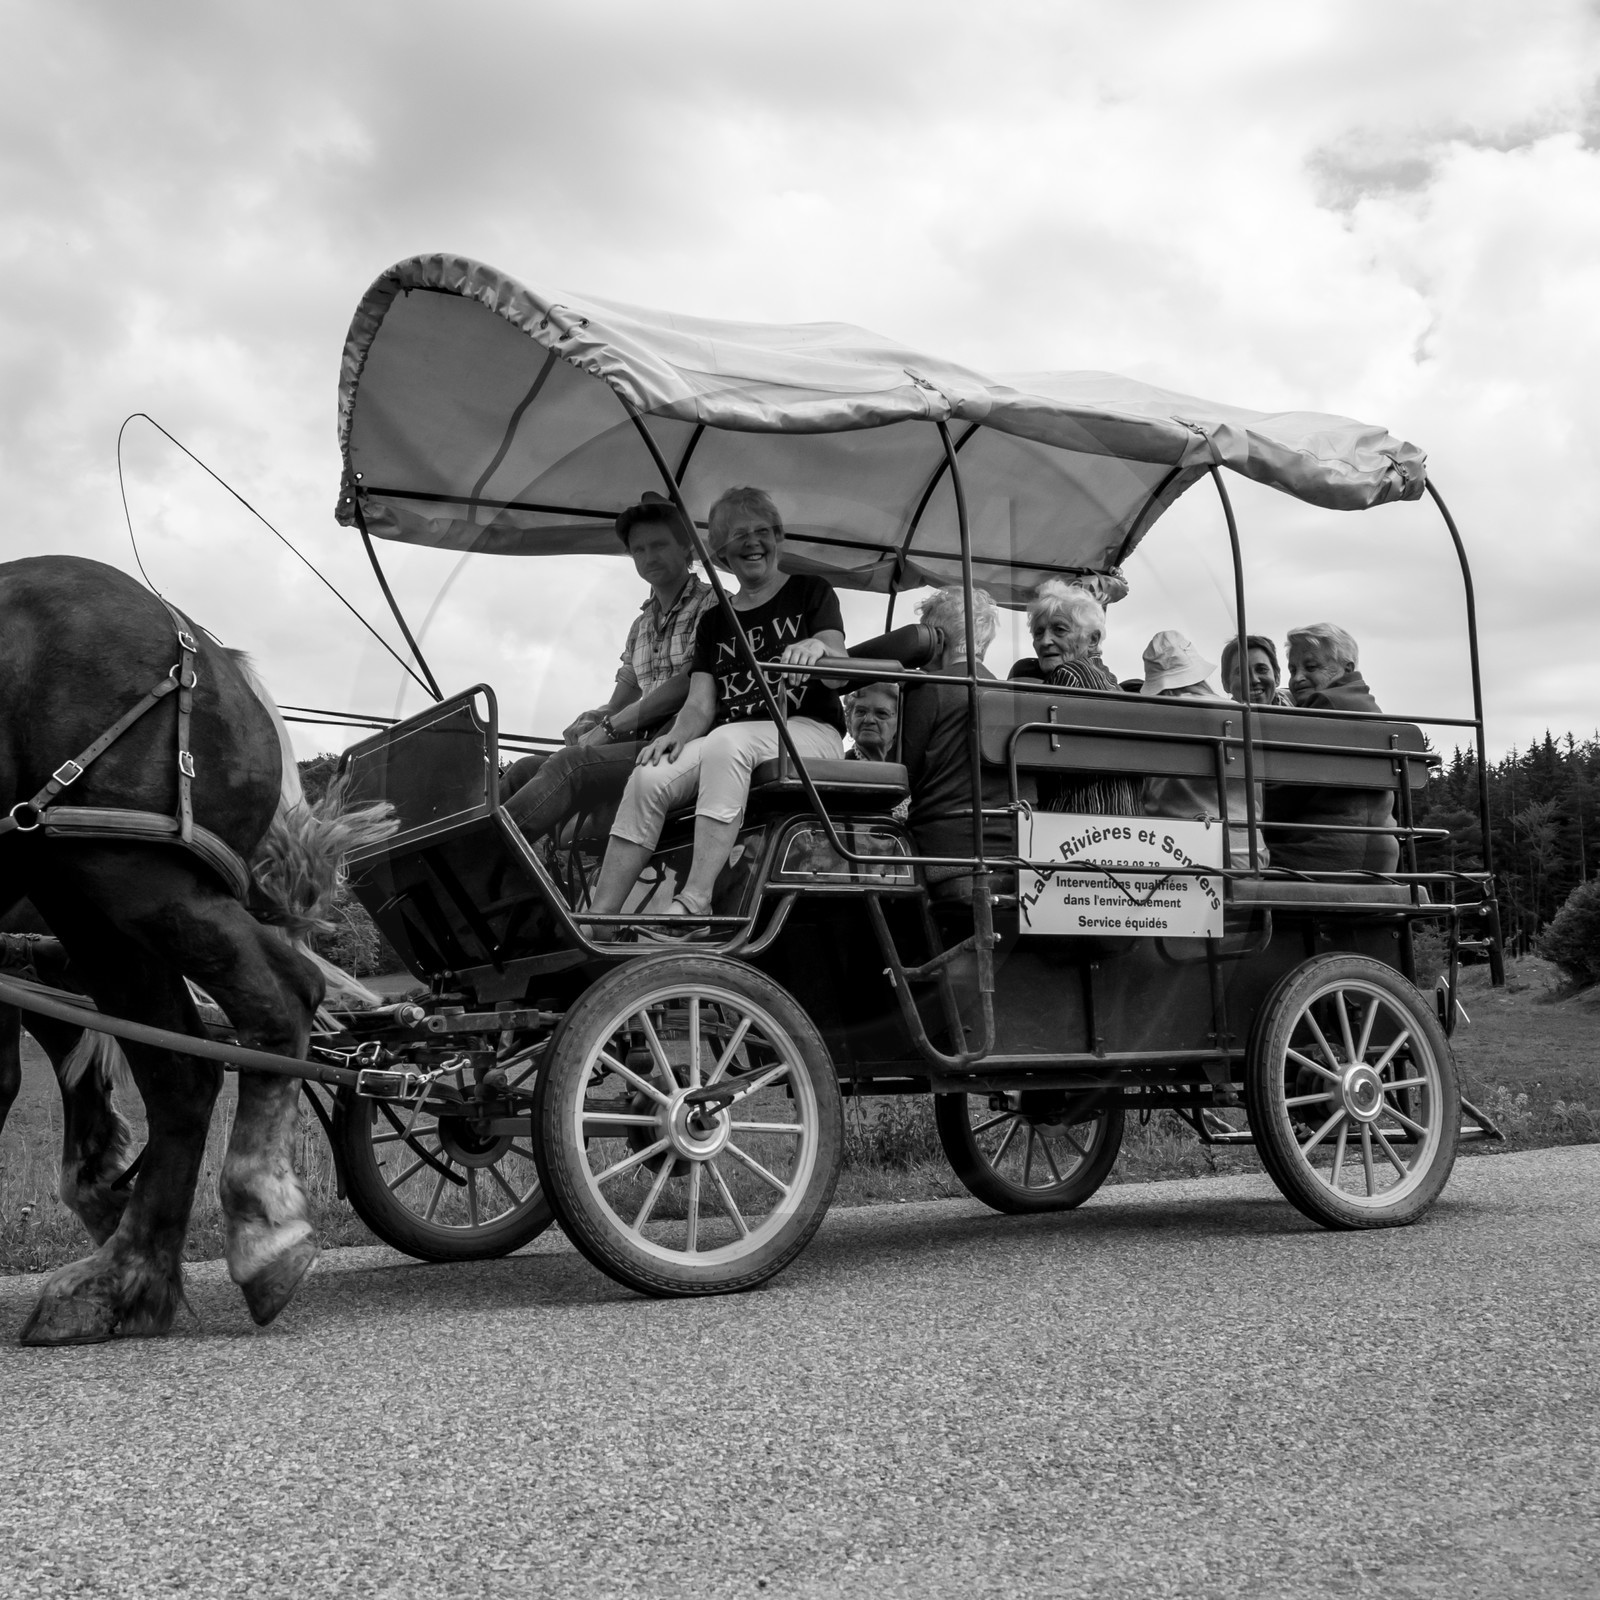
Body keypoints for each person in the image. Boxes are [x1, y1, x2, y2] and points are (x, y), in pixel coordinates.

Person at [585, 487, 846, 927]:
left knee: (728, 741)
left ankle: (697, 899)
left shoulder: (809, 591)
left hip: (806, 732)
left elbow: (839, 672)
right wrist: (672, 738)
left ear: (777, 537)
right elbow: (700, 707)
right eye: (736, 537)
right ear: (722, 554)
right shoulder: (717, 619)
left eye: (760, 531)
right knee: (649, 776)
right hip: (735, 741)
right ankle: (598, 917)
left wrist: (817, 647)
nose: (751, 542)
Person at [502, 493, 715, 844]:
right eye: (639, 550)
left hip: (682, 742)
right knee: (525, 767)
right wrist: (594, 717)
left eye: (659, 545)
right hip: (638, 742)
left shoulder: (712, 607)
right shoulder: (641, 624)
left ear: (686, 547)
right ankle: (467, 849)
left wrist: (609, 727)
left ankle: (488, 849)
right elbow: (620, 701)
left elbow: (687, 683)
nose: (649, 557)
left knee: (571, 764)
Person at [899, 586, 1011, 901]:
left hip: (943, 854)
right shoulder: (1014, 698)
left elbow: (902, 777)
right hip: (1015, 855)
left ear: (936, 639)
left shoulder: (927, 691)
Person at [1265, 623, 1399, 873]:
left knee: (1227, 867)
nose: (1297, 678)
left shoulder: (1326, 705)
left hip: (1329, 854)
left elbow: (1284, 795)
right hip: (1377, 855)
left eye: (1311, 666)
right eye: (1293, 670)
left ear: (1346, 668)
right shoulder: (1366, 706)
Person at [1008, 579, 1141, 816]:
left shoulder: (1067, 676)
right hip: (1124, 819)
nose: (1045, 641)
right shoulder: (1112, 683)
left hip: (1076, 822)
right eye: (1039, 632)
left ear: (1092, 639)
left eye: (1059, 629)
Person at [1138, 630, 1266, 866]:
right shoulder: (1240, 715)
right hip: (1247, 854)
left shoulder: (1148, 722)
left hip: (1173, 855)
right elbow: (1256, 796)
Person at [1220, 634, 1293, 707]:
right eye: (1242, 673)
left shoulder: (1298, 705)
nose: (1253, 680)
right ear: (1226, 683)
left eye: (1261, 670)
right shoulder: (1217, 717)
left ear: (1277, 676)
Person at [844, 683, 899, 762]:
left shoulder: (911, 769)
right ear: (849, 719)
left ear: (899, 723)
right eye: (861, 711)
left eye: (881, 713)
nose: (868, 720)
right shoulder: (835, 767)